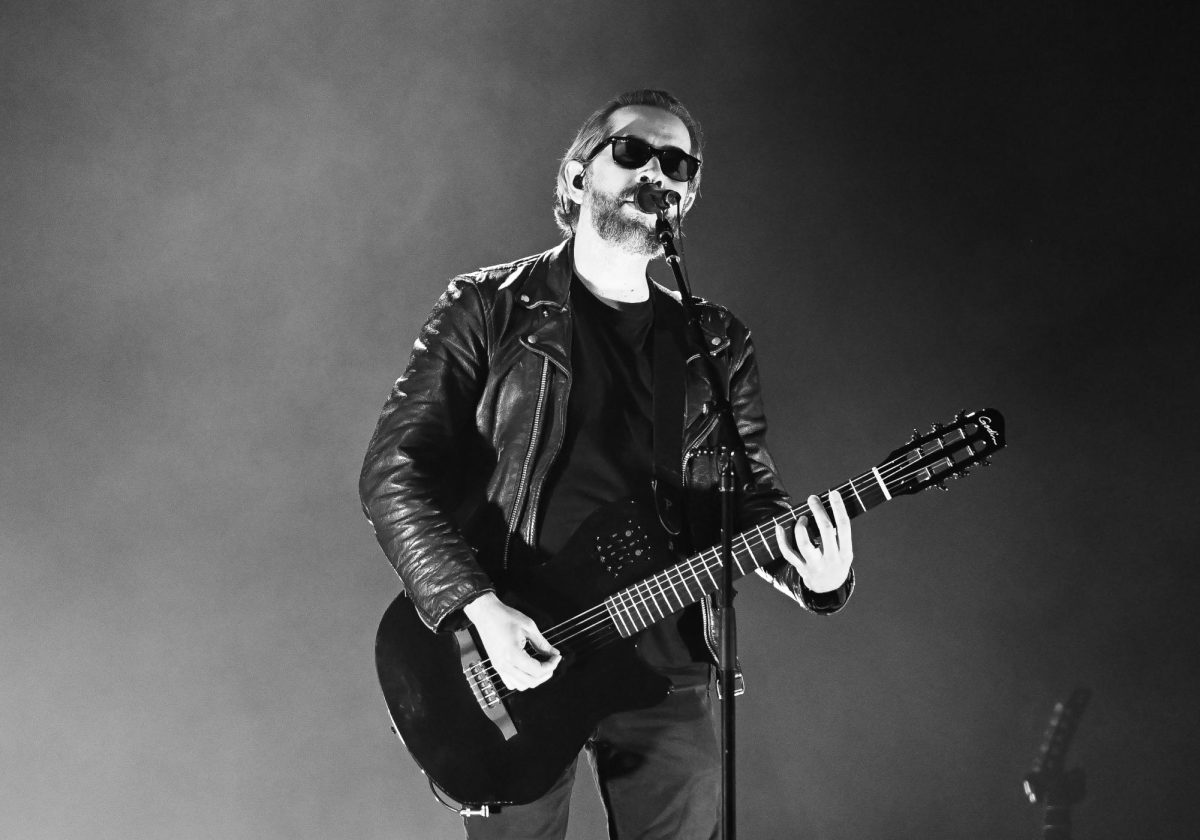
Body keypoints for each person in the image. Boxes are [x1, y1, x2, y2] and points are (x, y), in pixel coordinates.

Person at [359, 89, 855, 840]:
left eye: (677, 163)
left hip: (668, 664)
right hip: (515, 654)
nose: (656, 171)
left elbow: (747, 500)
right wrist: (479, 610)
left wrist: (816, 577)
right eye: (632, 151)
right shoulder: (488, 308)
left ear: (686, 198)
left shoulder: (714, 342)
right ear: (575, 175)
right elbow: (393, 472)